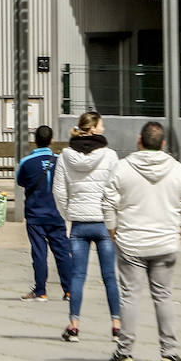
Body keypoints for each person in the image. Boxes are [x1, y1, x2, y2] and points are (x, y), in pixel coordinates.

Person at [103, 121, 181, 361]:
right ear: (163, 143)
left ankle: (124, 351)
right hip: (165, 242)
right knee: (163, 295)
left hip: (131, 241)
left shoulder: (122, 168)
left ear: (139, 140)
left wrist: (113, 231)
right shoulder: (179, 170)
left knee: (130, 296)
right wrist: (178, 232)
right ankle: (169, 351)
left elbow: (108, 203)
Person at [53, 111, 122, 342]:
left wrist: (69, 213)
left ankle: (74, 326)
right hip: (103, 223)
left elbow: (59, 191)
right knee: (109, 277)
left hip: (79, 224)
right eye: (101, 125)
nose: (103, 128)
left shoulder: (65, 156)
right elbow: (116, 190)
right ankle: (116, 325)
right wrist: (113, 215)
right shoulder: (110, 156)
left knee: (78, 275)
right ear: (92, 129)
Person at [16, 125, 72, 302]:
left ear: (35, 141)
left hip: (35, 214)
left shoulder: (26, 162)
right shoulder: (60, 160)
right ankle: (69, 290)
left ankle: (41, 291)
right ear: (52, 140)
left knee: (39, 253)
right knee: (62, 252)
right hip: (56, 214)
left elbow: (21, 181)